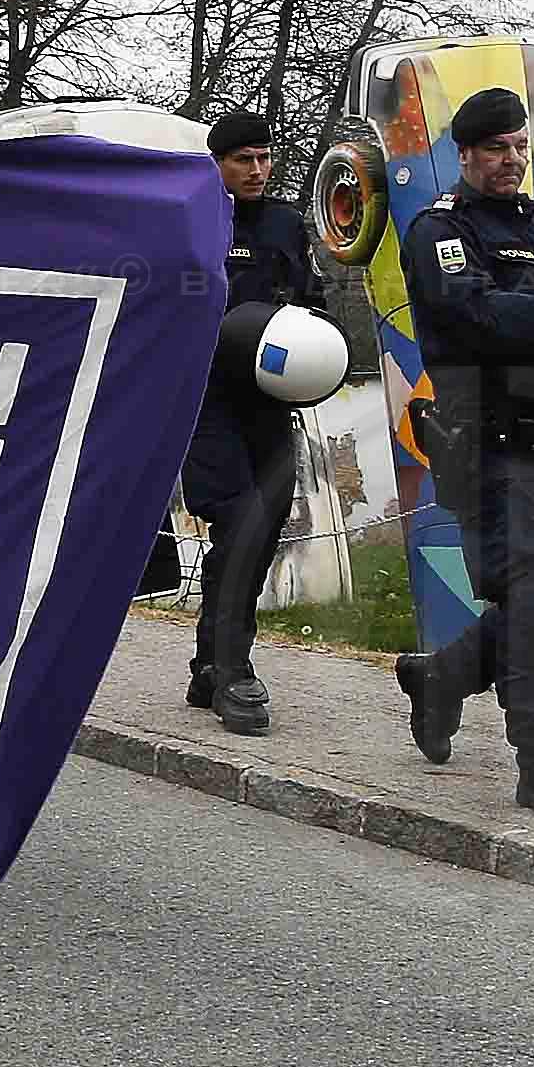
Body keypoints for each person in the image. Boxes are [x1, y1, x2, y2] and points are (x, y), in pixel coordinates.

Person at [388, 87, 534, 824]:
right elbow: (480, 317)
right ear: (465, 154)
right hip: (486, 445)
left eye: (520, 146)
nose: (511, 160)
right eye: (495, 149)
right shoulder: (440, 232)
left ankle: (441, 680)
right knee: (531, 601)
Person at [181, 109, 333, 740]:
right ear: (217, 164)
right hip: (204, 399)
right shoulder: (191, 220)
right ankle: (232, 668)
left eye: (265, 158)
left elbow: (310, 299)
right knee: (237, 520)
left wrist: (314, 334)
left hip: (271, 397)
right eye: (243, 159)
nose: (257, 170)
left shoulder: (285, 226)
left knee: (260, 530)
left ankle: (207, 661)